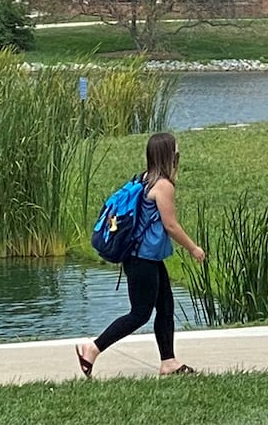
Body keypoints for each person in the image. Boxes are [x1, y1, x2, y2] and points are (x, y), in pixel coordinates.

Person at [76, 132, 206, 378]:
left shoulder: (145, 179)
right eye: (176, 150)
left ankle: (169, 362)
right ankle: (92, 349)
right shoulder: (163, 186)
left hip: (148, 258)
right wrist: (193, 248)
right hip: (141, 259)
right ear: (169, 155)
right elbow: (171, 226)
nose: (179, 153)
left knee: (166, 307)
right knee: (139, 313)